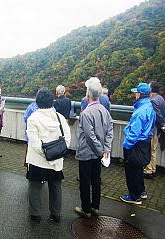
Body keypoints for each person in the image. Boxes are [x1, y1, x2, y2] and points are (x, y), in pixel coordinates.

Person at [26, 88, 71, 223]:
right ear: (52, 102)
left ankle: (35, 215)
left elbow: (34, 142)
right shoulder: (60, 118)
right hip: (56, 161)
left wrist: (46, 153)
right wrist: (55, 154)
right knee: (55, 186)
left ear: (37, 102)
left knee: (35, 186)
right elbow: (67, 139)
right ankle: (55, 214)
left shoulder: (33, 118)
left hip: (37, 160)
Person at [75, 79, 113, 218]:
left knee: (85, 181)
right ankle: (95, 207)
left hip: (87, 152)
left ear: (88, 94)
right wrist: (105, 149)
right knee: (96, 179)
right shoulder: (105, 110)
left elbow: (89, 136)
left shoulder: (86, 113)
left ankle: (86, 208)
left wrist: (99, 150)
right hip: (99, 153)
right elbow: (110, 131)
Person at [120, 83, 155, 204]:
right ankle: (141, 191)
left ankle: (134, 197)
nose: (135, 94)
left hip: (136, 144)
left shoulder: (140, 111)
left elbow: (134, 133)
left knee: (132, 170)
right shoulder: (150, 106)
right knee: (139, 168)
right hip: (145, 142)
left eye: (136, 92)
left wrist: (127, 145)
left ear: (140, 94)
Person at [144, 81, 165, 179]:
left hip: (154, 129)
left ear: (151, 89)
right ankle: (153, 169)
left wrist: (162, 124)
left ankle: (148, 171)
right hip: (158, 130)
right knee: (153, 150)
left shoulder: (153, 100)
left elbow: (157, 115)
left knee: (150, 149)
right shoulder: (161, 98)